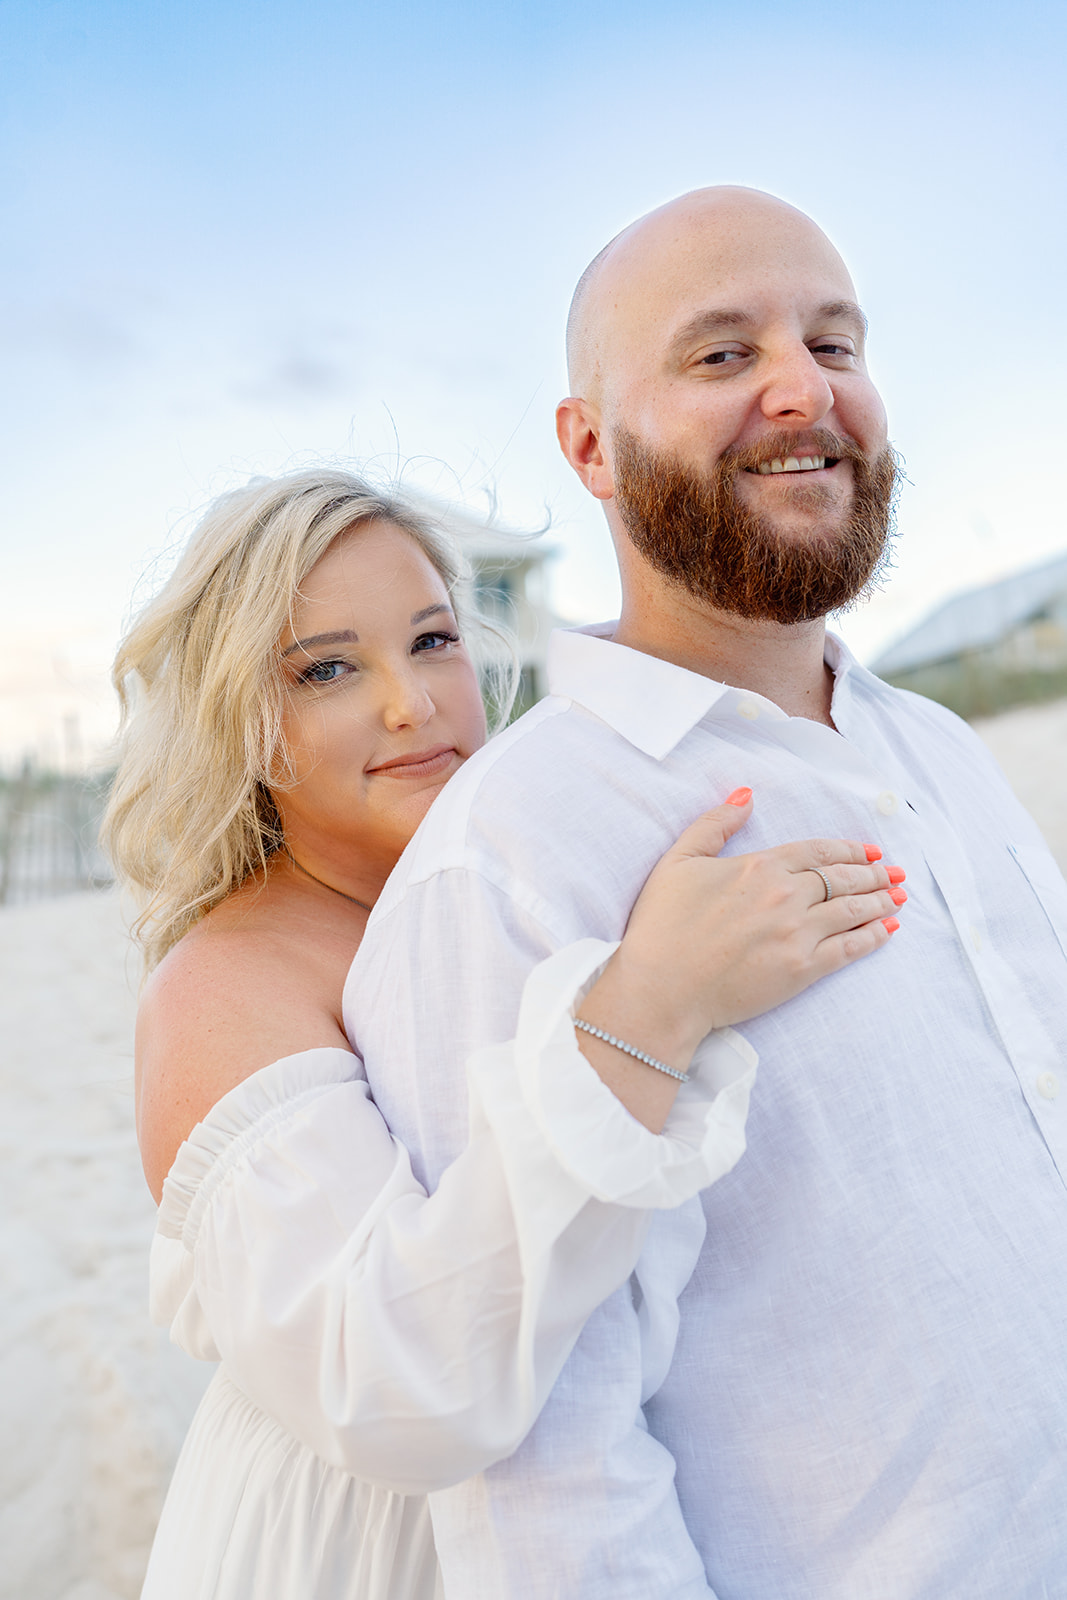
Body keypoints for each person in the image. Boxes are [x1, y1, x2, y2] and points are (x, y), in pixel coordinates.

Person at [345, 187, 1067, 1598]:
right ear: (588, 448)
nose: (802, 388)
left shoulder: (937, 746)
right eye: (720, 355)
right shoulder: (511, 851)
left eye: (835, 344)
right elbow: (541, 1465)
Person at [102, 468, 901, 1599]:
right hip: (359, 1549)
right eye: (327, 668)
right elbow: (391, 1380)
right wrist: (649, 1005)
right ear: (239, 713)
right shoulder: (221, 983)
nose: (410, 702)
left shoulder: (496, 889)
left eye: (431, 642)